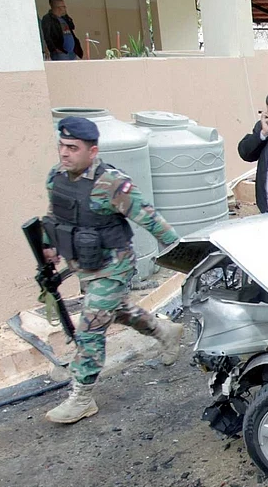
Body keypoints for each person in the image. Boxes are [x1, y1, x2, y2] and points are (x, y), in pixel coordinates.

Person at [40, 116, 183, 424]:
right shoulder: (57, 176)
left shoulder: (112, 183)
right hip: (83, 265)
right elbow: (54, 214)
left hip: (113, 266)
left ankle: (82, 397)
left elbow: (150, 219)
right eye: (62, 146)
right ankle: (165, 331)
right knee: (118, 311)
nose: (64, 153)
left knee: (90, 327)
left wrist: (183, 255)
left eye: (72, 148)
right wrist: (48, 245)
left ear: (92, 152)